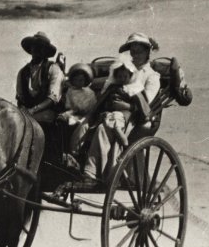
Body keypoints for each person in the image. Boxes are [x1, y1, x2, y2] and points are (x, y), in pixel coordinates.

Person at [82, 32, 161, 183]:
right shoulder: (121, 68)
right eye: (132, 51)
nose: (135, 55)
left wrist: (123, 105)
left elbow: (146, 102)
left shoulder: (151, 76)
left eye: (139, 51)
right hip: (111, 111)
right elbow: (106, 90)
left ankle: (94, 172)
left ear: (147, 52)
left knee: (103, 129)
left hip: (134, 117)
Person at [16, 31, 64, 159]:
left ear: (45, 51)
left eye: (40, 48)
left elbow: (53, 98)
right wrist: (23, 111)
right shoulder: (23, 72)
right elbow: (20, 96)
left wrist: (33, 110)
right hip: (28, 113)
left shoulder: (53, 69)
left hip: (47, 112)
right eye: (34, 47)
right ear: (30, 49)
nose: (37, 50)